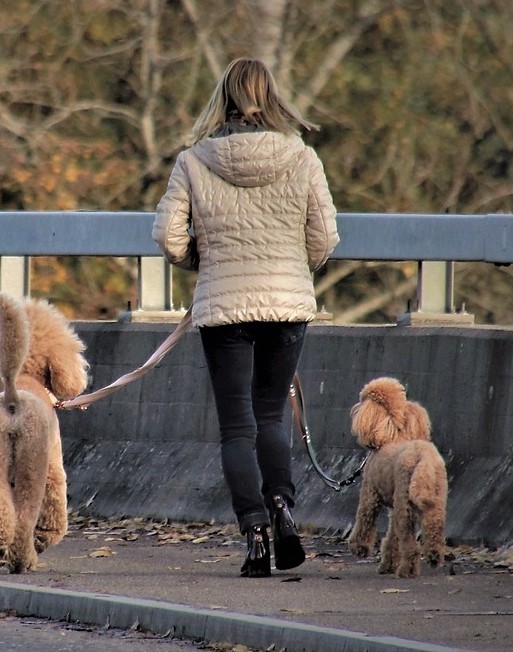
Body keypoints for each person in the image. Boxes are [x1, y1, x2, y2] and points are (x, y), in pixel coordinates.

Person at [152, 58, 339, 578]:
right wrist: (291, 268)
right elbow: (323, 240)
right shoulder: (302, 158)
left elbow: (167, 238)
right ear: (272, 97)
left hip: (224, 307)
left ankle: (254, 533)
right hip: (286, 305)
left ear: (223, 99)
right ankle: (283, 507)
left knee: (237, 427)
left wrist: (204, 260)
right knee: (270, 416)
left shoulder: (193, 161)